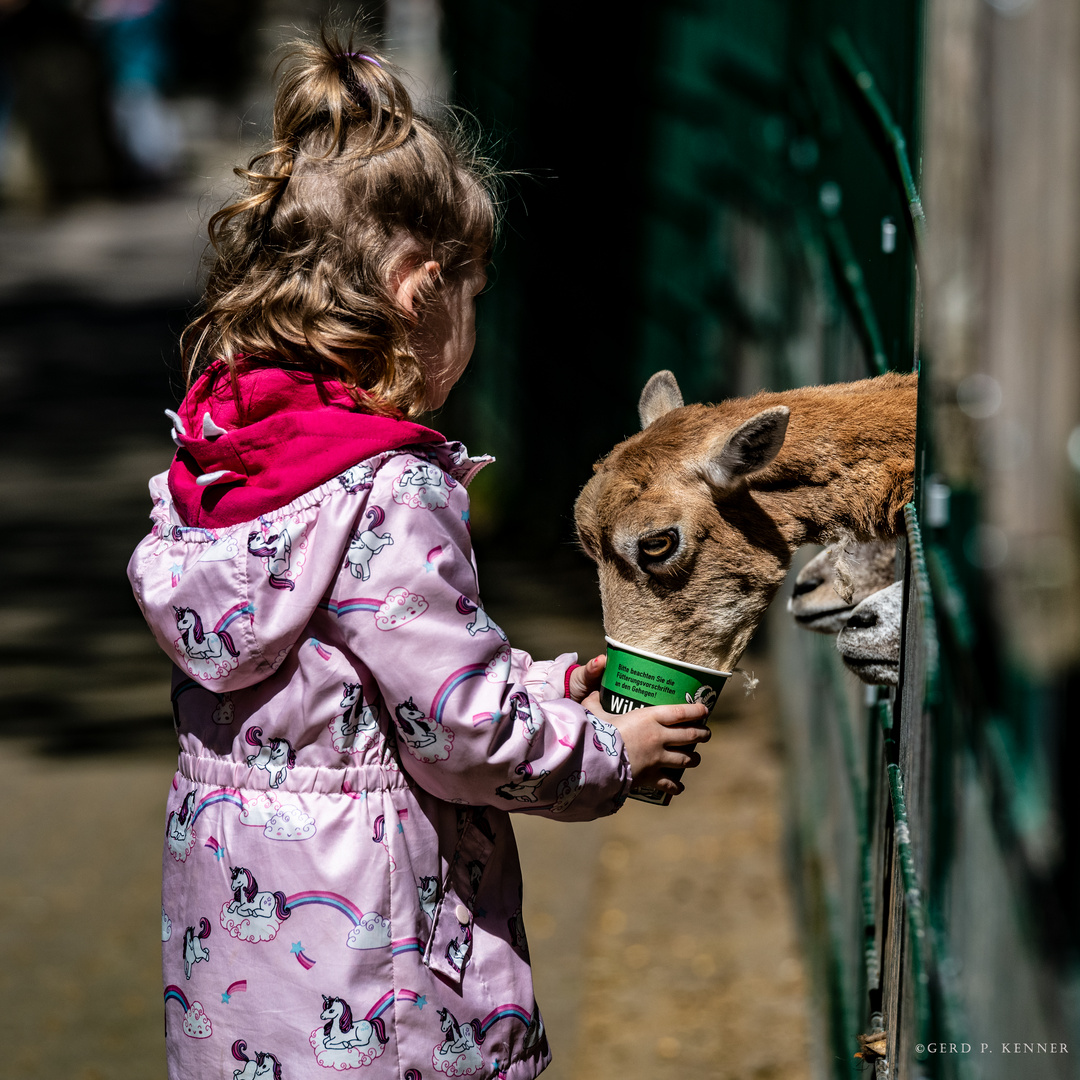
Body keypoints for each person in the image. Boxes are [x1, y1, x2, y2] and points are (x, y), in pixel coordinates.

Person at [127, 28, 710, 1080]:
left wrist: (545, 685)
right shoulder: (385, 486)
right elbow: (455, 730)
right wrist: (607, 756)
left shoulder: (217, 465)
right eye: (472, 298)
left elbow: (345, 690)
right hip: (385, 982)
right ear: (417, 285)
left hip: (247, 982)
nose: (472, 326)